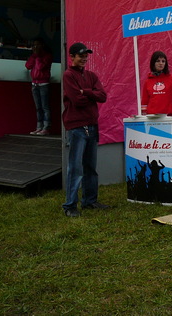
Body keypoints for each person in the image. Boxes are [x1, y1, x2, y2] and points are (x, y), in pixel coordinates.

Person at [62, 42, 109, 217]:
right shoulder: (68, 75)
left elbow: (103, 96)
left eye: (85, 56)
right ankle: (70, 206)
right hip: (76, 128)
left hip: (91, 126)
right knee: (75, 168)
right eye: (80, 56)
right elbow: (77, 101)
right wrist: (90, 94)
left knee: (90, 167)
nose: (84, 59)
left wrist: (85, 91)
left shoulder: (91, 75)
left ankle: (90, 201)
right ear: (72, 57)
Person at [141, 51, 172, 116]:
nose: (161, 63)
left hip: (169, 117)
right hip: (152, 118)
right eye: (158, 61)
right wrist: (143, 117)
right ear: (153, 63)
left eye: (163, 61)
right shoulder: (147, 82)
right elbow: (144, 101)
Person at [25, 38, 53, 135]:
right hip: (34, 84)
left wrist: (38, 56)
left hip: (43, 83)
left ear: (42, 46)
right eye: (34, 45)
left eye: (38, 45)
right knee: (38, 107)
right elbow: (28, 66)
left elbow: (40, 67)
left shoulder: (47, 56)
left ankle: (46, 127)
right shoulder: (34, 56)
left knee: (44, 107)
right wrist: (34, 55)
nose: (35, 47)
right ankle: (39, 127)